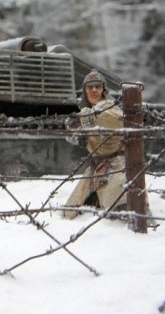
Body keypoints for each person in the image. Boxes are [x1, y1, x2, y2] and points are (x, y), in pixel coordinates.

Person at [63, 70, 130, 219]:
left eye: (97, 87)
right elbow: (72, 137)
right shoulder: (85, 112)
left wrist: (87, 117)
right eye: (90, 87)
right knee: (70, 211)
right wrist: (76, 130)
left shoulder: (110, 107)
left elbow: (114, 119)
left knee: (118, 201)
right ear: (85, 91)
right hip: (97, 165)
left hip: (117, 165)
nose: (94, 90)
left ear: (103, 90)